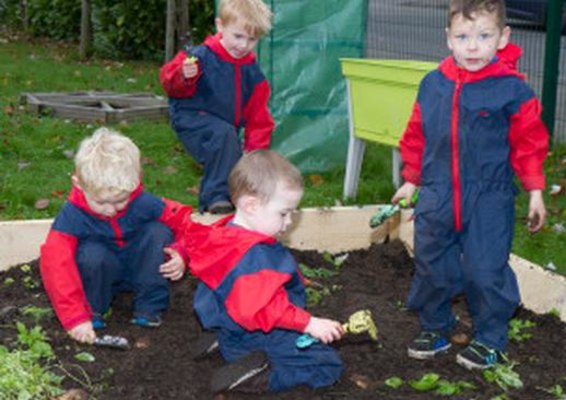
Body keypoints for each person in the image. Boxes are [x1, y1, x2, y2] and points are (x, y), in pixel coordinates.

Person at [392, 0, 548, 370]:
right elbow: (417, 134)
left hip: (489, 196)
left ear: (503, 37)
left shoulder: (511, 89)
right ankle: (436, 325)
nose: (473, 46)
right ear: (448, 38)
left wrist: (535, 190)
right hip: (437, 193)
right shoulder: (433, 84)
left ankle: (490, 337)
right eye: (463, 36)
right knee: (432, 264)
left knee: (485, 269)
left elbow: (529, 142)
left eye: (484, 36)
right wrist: (411, 180)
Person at [185, 150, 344, 393]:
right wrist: (308, 323)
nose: (289, 221)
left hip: (231, 324)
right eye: (283, 213)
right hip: (254, 333)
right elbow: (261, 308)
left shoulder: (229, 234)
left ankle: (222, 339)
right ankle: (256, 377)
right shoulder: (254, 256)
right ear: (251, 205)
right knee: (327, 364)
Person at [40, 128, 194, 344]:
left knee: (158, 232)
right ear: (79, 184)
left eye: (121, 201)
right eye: (102, 203)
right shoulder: (72, 216)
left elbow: (187, 224)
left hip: (139, 268)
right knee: (91, 253)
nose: (112, 210)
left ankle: (149, 308)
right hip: (101, 273)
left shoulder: (143, 202)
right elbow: (57, 267)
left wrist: (181, 252)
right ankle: (93, 311)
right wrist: (75, 318)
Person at [160, 0, 275, 215]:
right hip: (190, 117)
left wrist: (255, 151)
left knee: (234, 153)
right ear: (220, 26)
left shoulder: (253, 74)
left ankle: (225, 207)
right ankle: (216, 198)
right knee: (223, 137)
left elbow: (259, 117)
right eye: (238, 36)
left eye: (252, 40)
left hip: (225, 129)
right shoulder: (200, 57)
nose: (243, 45)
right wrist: (183, 76)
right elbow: (168, 81)